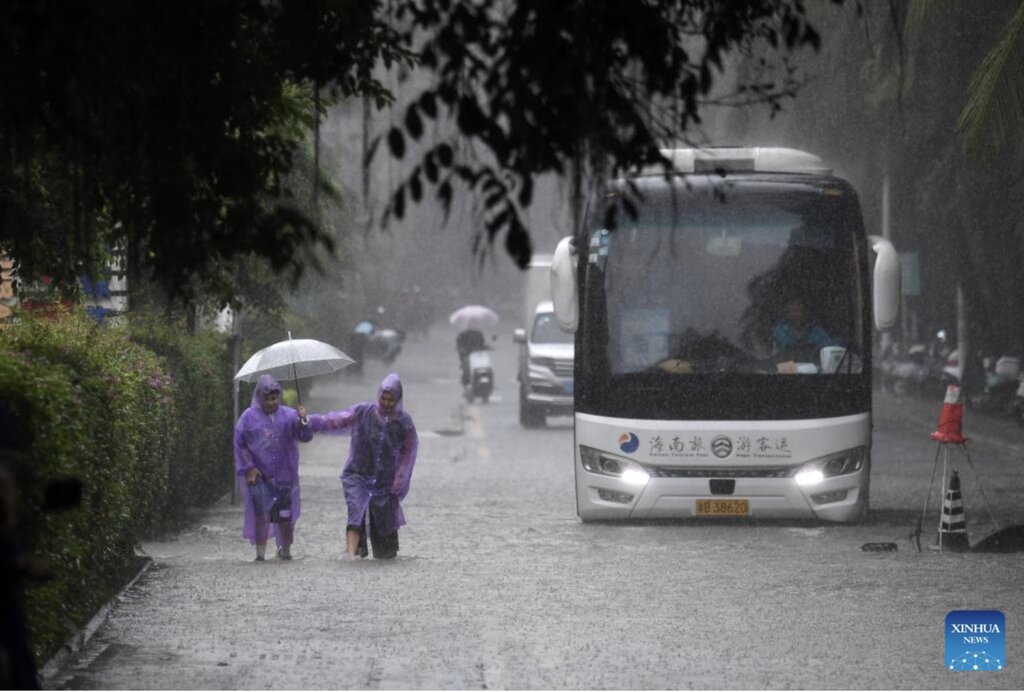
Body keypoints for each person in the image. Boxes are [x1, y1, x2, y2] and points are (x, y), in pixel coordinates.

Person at [307, 373, 418, 560]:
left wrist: (400, 479)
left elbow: (409, 452)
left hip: (385, 483)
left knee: (384, 534)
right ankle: (352, 555)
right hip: (357, 474)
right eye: (383, 398)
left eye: (391, 399)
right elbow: (336, 420)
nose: (386, 403)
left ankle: (382, 555)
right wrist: (310, 421)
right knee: (356, 509)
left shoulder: (404, 423)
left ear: (398, 399)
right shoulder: (363, 412)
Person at [233, 374, 313, 561]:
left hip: (285, 475)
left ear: (279, 396)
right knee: (262, 514)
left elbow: (305, 436)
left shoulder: (289, 415)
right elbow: (239, 443)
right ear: (259, 397)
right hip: (259, 476)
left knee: (285, 516)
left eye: (274, 398)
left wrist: (304, 421)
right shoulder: (248, 417)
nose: (270, 403)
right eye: (266, 399)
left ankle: (285, 551)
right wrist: (249, 467)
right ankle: (260, 555)